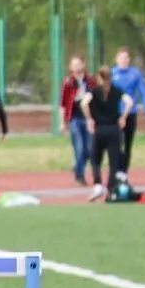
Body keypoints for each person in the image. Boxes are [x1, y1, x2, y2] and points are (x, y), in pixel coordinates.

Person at [83, 67, 123, 195]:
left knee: (95, 158)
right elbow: (129, 102)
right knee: (114, 160)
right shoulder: (117, 91)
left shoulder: (94, 91)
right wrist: (124, 117)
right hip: (113, 129)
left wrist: (89, 119)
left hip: (99, 129)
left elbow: (83, 103)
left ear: (98, 78)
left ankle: (98, 183)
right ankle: (110, 187)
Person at [111, 48, 145, 176]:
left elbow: (143, 92)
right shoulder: (112, 74)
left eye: (126, 58)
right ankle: (116, 170)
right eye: (121, 58)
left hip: (130, 113)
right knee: (116, 143)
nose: (124, 60)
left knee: (128, 144)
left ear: (129, 60)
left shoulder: (135, 73)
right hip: (115, 114)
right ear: (116, 59)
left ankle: (124, 172)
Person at [60, 56, 92, 187]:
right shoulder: (68, 83)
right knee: (79, 148)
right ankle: (80, 176)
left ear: (83, 65)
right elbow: (62, 104)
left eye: (79, 64)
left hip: (89, 118)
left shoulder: (90, 81)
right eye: (74, 65)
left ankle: (78, 167)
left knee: (89, 149)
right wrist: (62, 123)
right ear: (70, 67)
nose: (76, 67)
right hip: (75, 119)